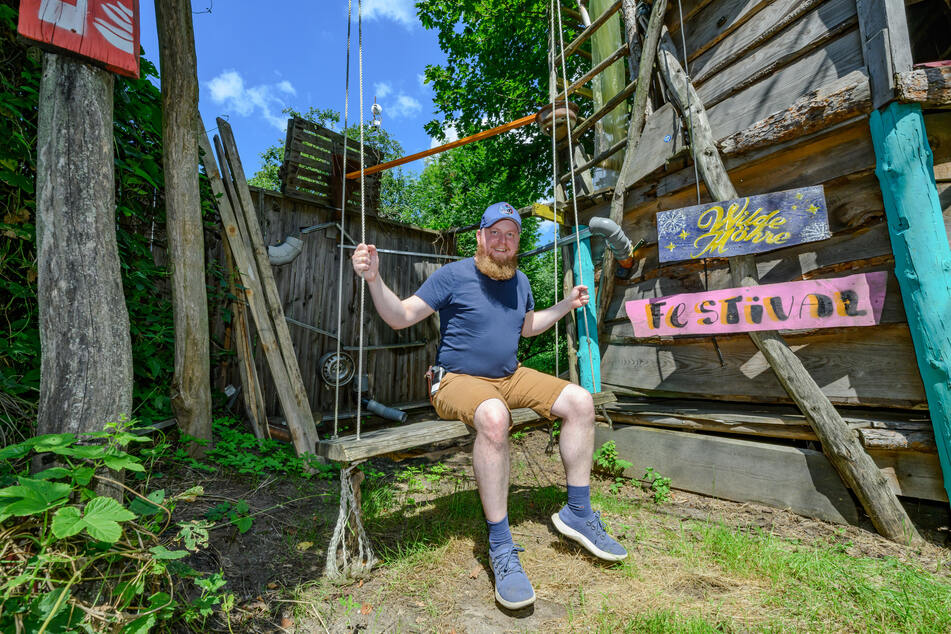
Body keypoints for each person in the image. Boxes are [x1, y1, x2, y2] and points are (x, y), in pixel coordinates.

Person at [351, 202, 626, 610]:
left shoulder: (521, 281)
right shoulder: (454, 275)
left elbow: (527, 326)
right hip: (457, 380)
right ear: (480, 237)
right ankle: (501, 545)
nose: (502, 241)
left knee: (581, 401)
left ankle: (578, 513)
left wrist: (567, 305)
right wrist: (373, 278)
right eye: (494, 233)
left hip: (508, 376)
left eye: (510, 234)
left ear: (517, 241)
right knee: (495, 416)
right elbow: (401, 315)